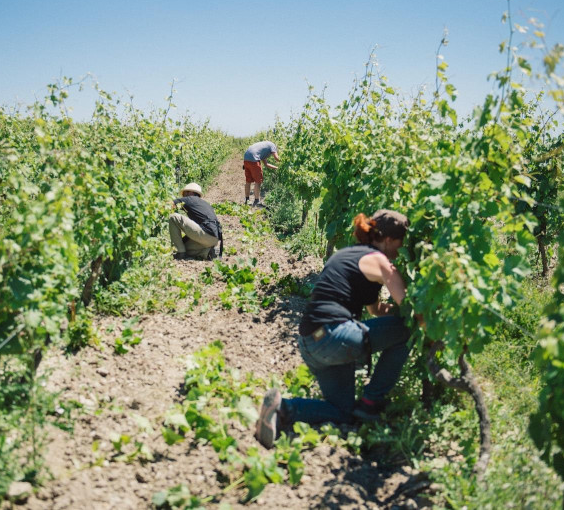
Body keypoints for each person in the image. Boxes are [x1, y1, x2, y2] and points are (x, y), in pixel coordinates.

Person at [255, 209, 414, 449]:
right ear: (390, 239)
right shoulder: (380, 261)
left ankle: (282, 408)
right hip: (334, 336)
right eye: (401, 243)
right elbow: (410, 308)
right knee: (408, 330)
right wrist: (428, 322)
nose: (401, 250)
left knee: (342, 411)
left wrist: (393, 311)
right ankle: (371, 401)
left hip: (310, 342)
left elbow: (376, 310)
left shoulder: (348, 255)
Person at [169, 182, 222, 260]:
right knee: (183, 246)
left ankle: (179, 254)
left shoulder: (189, 199)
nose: (183, 196)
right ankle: (208, 252)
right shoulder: (204, 204)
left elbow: (170, 205)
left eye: (184, 193)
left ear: (190, 192)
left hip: (206, 234)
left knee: (173, 217)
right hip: (214, 238)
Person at [243, 140, 280, 207]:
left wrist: (277, 168)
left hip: (246, 158)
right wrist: (285, 162)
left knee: (248, 181)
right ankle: (257, 201)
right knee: (258, 181)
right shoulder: (273, 146)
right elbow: (277, 158)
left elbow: (266, 164)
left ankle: (247, 200)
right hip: (254, 158)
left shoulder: (264, 148)